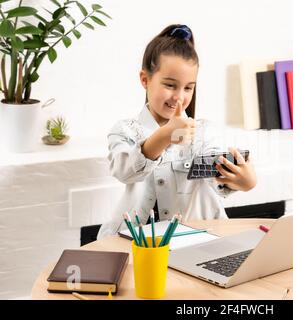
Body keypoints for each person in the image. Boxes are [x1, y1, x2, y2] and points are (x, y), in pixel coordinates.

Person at [97, 24, 257, 239]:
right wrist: (165, 135)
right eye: (170, 85)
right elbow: (125, 172)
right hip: (137, 242)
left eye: (188, 87)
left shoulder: (204, 132)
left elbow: (216, 182)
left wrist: (244, 181)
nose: (179, 97)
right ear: (145, 80)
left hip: (195, 242)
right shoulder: (124, 130)